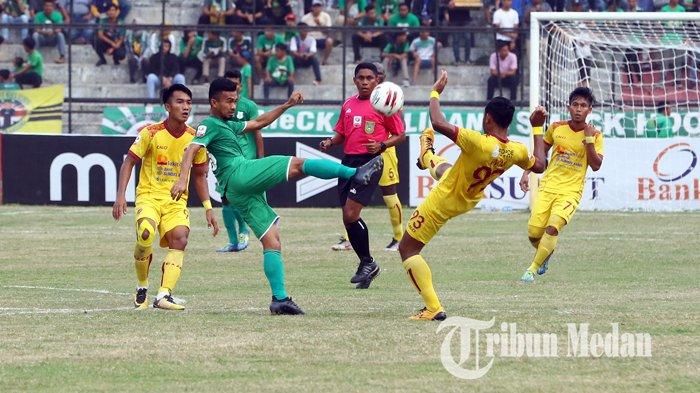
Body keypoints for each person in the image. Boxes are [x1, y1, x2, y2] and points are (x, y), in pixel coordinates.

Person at [171, 78, 384, 314]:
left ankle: (279, 300)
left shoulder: (228, 125)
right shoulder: (208, 124)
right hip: (238, 172)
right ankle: (355, 173)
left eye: (236, 101)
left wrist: (287, 105)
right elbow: (192, 148)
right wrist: (182, 180)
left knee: (271, 240)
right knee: (298, 164)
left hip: (235, 189)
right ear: (214, 102)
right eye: (229, 102)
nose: (233, 106)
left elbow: (260, 121)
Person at [398, 70, 547, 320]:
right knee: (446, 168)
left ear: (488, 118)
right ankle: (427, 155)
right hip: (467, 197)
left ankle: (433, 307)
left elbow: (438, 122)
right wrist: (537, 127)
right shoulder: (517, 150)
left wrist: (435, 92)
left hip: (442, 201)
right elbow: (540, 165)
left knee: (407, 249)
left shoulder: (478, 142)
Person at [112, 84, 219, 310]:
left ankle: (163, 295)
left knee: (180, 237)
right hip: (149, 197)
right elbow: (129, 161)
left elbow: (200, 175)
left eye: (189, 102)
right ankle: (142, 286)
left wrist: (208, 207)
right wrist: (120, 196)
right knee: (145, 235)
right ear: (167, 106)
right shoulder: (150, 132)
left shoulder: (195, 138)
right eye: (180, 102)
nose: (185, 107)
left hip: (176, 201)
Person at [320, 63, 405, 289]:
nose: (365, 82)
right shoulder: (348, 104)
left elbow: (400, 135)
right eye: (361, 78)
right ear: (354, 80)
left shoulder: (384, 104)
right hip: (348, 162)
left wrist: (382, 145)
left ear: (377, 80)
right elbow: (341, 133)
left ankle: (368, 262)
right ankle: (367, 266)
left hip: (371, 163)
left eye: (369, 78)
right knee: (347, 217)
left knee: (351, 213)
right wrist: (330, 141)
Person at [519, 87, 604, 283]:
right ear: (568, 107)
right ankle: (546, 253)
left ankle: (531, 270)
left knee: (553, 227)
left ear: (589, 110)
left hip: (570, 191)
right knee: (534, 233)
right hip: (548, 186)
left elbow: (596, 165)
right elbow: (540, 154)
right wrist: (527, 171)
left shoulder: (595, 135)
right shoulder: (556, 128)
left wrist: (589, 140)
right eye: (575, 104)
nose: (578, 109)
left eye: (583, 106)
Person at [216, 70, 263, 252]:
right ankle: (233, 242)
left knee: (233, 198)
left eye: (235, 84)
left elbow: (257, 130)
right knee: (225, 199)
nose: (231, 87)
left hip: (244, 158)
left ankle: (243, 231)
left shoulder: (248, 106)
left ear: (240, 86)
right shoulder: (220, 106)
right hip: (225, 158)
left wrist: (260, 158)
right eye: (228, 83)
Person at [300, 0, 334, 65]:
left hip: (321, 38)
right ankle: (303, 60)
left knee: (330, 41)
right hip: (309, 39)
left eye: (318, 6)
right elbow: (301, 30)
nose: (316, 8)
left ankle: (325, 60)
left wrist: (319, 24)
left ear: (321, 7)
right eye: (315, 6)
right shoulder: (305, 17)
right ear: (311, 7)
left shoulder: (326, 16)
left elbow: (328, 32)